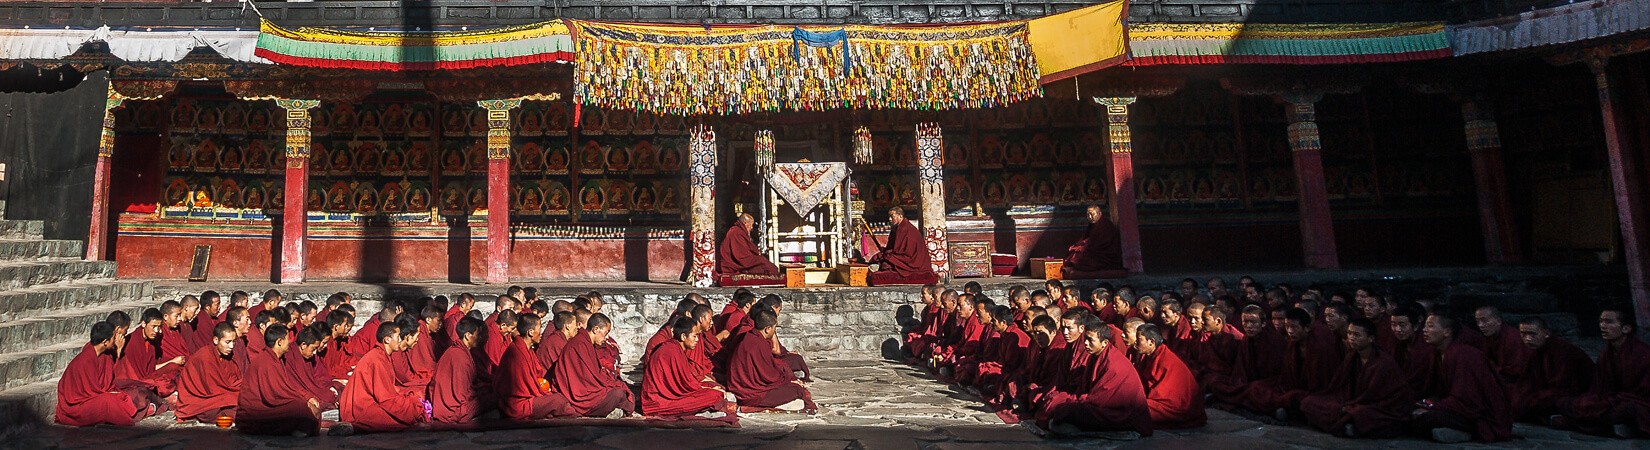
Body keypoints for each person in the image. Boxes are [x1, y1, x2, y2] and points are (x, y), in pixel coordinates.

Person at [1298, 319, 1415, 438]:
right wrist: (1346, 404)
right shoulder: (1352, 356)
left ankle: (1347, 424)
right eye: (1349, 333)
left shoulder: (1383, 362)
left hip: (1381, 406)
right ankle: (1349, 425)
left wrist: (1351, 406)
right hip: (1353, 401)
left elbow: (1375, 396)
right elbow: (1340, 385)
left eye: (1357, 335)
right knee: (1308, 402)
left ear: (1371, 338)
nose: (1351, 338)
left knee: (1358, 413)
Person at [1039, 319, 1152, 437]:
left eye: (1090, 340)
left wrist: (1069, 402)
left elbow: (1100, 400)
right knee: (1058, 403)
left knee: (1068, 411)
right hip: (1100, 405)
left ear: (1104, 343)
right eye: (1085, 339)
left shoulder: (1114, 364)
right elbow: (1086, 388)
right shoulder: (1096, 355)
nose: (1086, 344)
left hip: (1120, 413)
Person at [1410, 312, 1512, 443]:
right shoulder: (1437, 354)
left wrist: (1431, 407)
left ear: (1447, 332)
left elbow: (1468, 401)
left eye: (1430, 326)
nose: (1424, 330)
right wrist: (1425, 403)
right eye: (1425, 326)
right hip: (1456, 408)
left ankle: (1468, 433)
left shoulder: (1463, 354)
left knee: (1425, 418)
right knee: (1408, 412)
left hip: (1482, 416)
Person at [1554, 308, 1649, 438]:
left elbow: (1643, 393)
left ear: (1626, 329)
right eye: (1601, 321)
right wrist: (1599, 400)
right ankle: (1605, 425)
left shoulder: (1642, 353)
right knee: (1564, 402)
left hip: (1637, 403)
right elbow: (1600, 387)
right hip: (1611, 400)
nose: (1603, 326)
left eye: (1609, 322)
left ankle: (1577, 422)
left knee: (1627, 409)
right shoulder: (1607, 353)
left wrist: (1613, 400)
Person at [56, 321, 158, 427]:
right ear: (105, 342)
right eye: (114, 337)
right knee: (108, 401)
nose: (116, 340)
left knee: (128, 394)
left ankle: (131, 412)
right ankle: (129, 415)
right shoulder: (85, 360)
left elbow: (107, 381)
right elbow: (89, 391)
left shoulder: (105, 356)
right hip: (76, 406)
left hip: (96, 396)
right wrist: (109, 394)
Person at [340, 321, 430, 433]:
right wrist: (408, 404)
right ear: (387, 339)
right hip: (362, 407)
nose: (400, 340)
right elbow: (385, 398)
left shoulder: (384, 356)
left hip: (374, 400)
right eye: (398, 337)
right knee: (407, 413)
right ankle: (354, 427)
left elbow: (387, 389)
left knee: (411, 400)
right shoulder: (377, 359)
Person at [642, 316, 737, 421]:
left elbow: (684, 381)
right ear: (683, 336)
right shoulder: (671, 351)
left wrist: (705, 386)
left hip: (671, 393)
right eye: (694, 336)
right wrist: (707, 389)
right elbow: (684, 386)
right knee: (715, 395)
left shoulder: (675, 348)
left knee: (714, 389)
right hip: (658, 400)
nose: (697, 340)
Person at [237, 324, 322, 436]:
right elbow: (272, 396)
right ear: (279, 342)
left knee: (304, 406)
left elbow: (286, 386)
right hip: (254, 412)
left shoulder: (278, 360)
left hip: (269, 405)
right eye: (288, 339)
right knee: (300, 408)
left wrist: (307, 397)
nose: (290, 342)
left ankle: (297, 428)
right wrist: (303, 402)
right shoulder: (266, 361)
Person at [726, 310, 816, 413]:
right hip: (751, 395)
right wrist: (787, 380)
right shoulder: (759, 344)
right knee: (797, 390)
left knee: (792, 382)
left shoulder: (748, 337)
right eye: (774, 328)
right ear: (767, 329)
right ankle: (751, 407)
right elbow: (769, 376)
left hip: (740, 388)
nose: (774, 331)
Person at [1510, 317, 1594, 423]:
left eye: (1532, 334)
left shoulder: (1563, 351)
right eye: (1523, 334)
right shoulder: (1536, 351)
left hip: (1575, 395)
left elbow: (1564, 388)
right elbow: (1527, 381)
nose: (1528, 339)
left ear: (1546, 333)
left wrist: (1531, 399)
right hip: (1550, 392)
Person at [553, 313, 636, 418]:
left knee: (620, 392)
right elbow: (588, 380)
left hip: (589, 390)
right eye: (605, 333)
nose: (606, 338)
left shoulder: (586, 343)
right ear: (596, 329)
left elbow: (594, 373)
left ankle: (617, 410)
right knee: (618, 393)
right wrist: (611, 384)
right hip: (582, 396)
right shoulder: (580, 345)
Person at [496, 313, 572, 420]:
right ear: (530, 332)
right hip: (517, 404)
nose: (541, 333)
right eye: (539, 328)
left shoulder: (527, 349)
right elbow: (523, 387)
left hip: (529, 396)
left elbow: (536, 375)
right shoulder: (517, 352)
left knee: (558, 399)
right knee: (559, 401)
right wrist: (543, 394)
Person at [1131, 324, 1205, 429]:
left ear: (1151, 342)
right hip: (1159, 400)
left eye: (1139, 340)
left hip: (1177, 406)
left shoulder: (1166, 359)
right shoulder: (1150, 355)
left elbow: (1163, 394)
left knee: (1134, 410)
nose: (1136, 343)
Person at [175, 322, 244, 424]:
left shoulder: (227, 356)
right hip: (201, 401)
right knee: (213, 412)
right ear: (216, 340)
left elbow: (233, 380)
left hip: (221, 397)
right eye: (228, 342)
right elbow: (211, 389)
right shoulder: (205, 357)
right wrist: (232, 395)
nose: (231, 346)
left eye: (234, 342)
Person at [431, 317, 492, 426]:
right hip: (453, 411)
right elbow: (462, 395)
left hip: (448, 405)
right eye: (477, 334)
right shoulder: (459, 357)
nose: (480, 338)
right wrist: (481, 391)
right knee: (493, 398)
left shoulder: (459, 351)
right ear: (468, 335)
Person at [115, 308, 182, 396]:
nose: (156, 331)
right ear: (143, 324)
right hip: (139, 380)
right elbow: (130, 374)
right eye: (153, 326)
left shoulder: (151, 342)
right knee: (161, 384)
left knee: (174, 367)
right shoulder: (132, 341)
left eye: (159, 327)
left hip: (150, 377)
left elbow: (151, 368)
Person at [865, 207, 938, 286]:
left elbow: (901, 252)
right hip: (902, 256)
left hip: (912, 261)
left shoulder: (906, 229)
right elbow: (893, 248)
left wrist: (887, 254)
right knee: (880, 258)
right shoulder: (897, 228)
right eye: (889, 217)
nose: (889, 219)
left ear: (900, 216)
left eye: (892, 216)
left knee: (886, 262)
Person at [1061, 205, 1124, 277]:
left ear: (1099, 214)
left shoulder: (1105, 225)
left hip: (1104, 253)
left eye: (1092, 214)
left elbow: (1102, 243)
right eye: (1088, 215)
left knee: (1081, 257)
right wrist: (1079, 245)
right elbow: (1086, 238)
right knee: (1074, 251)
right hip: (1093, 248)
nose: (1090, 217)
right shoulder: (1093, 225)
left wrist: (1084, 247)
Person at [286, 327, 340, 410]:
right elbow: (292, 384)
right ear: (303, 345)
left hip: (311, 390)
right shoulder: (289, 356)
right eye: (313, 349)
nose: (315, 353)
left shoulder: (309, 358)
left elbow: (315, 379)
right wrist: (308, 397)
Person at [1474, 306, 1530, 384]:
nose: (1480, 325)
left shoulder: (1513, 338)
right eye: (1477, 322)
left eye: (1484, 320)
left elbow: (1515, 370)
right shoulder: (1489, 337)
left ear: (1498, 321)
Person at [717, 213, 780, 277]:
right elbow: (742, 256)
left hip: (739, 262)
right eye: (751, 225)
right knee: (762, 261)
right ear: (745, 223)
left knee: (762, 262)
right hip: (734, 264)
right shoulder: (736, 232)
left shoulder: (738, 231)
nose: (751, 228)